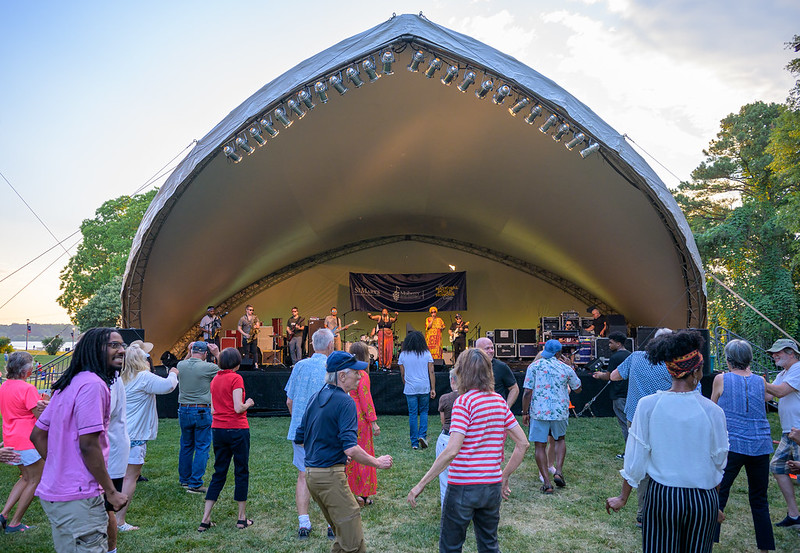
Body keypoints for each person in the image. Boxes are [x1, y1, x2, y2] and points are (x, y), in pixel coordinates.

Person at [605, 330, 728, 553]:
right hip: (703, 498)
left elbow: (636, 457)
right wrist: (715, 505)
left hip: (663, 496)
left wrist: (623, 498)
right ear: (697, 372)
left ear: (670, 370)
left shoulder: (648, 405)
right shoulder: (714, 411)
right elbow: (719, 462)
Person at [407, 348, 530, 553]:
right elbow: (523, 443)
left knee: (450, 547)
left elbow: (452, 449)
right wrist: (504, 475)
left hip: (463, 487)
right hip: (491, 486)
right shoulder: (499, 401)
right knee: (489, 546)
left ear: (462, 372)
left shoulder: (464, 402)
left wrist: (421, 485)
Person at [30, 328, 129, 553]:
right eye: (114, 345)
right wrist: (111, 492)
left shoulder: (69, 383)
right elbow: (89, 444)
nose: (121, 350)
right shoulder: (93, 385)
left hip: (59, 494)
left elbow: (37, 435)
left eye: (122, 345)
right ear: (94, 349)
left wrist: (61, 465)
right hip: (79, 498)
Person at [295, 351, 394, 553]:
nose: (359, 376)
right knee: (353, 541)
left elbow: (301, 438)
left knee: (346, 539)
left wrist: (332, 451)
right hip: (330, 477)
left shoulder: (316, 396)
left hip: (313, 477)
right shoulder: (346, 402)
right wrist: (377, 462)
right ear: (341, 376)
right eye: (355, 372)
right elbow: (350, 447)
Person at [711, 339, 774, 552]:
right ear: (749, 359)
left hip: (733, 445)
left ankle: (708, 541)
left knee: (718, 494)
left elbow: (713, 409)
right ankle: (765, 548)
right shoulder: (760, 381)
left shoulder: (721, 379)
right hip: (760, 445)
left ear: (728, 360)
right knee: (759, 500)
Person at [607, 327, 673, 524]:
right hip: (665, 418)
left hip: (636, 416)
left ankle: (643, 514)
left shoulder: (636, 357)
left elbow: (614, 376)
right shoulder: (674, 362)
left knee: (640, 462)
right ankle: (665, 510)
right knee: (664, 462)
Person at [115, 343, 179, 531]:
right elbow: (168, 386)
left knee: (116, 477)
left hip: (118, 433)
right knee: (130, 478)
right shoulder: (143, 377)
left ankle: (108, 518)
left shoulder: (120, 377)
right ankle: (119, 521)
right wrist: (174, 372)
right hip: (134, 435)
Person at [284, 328, 334, 539]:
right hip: (326, 430)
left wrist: (297, 420)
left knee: (304, 474)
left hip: (300, 431)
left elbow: (289, 400)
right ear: (330, 346)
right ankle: (332, 523)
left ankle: (304, 522)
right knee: (331, 475)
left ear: (313, 345)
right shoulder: (332, 366)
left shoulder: (300, 366)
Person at [198, 348, 255, 531]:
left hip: (219, 429)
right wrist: (249, 404)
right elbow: (239, 408)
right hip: (237, 429)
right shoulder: (236, 378)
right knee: (241, 471)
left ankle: (205, 519)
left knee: (219, 472)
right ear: (237, 363)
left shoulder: (215, 379)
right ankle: (241, 518)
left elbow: (213, 409)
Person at [522, 339, 582, 493]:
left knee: (540, 445)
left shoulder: (534, 366)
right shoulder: (565, 368)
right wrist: (570, 369)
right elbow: (578, 389)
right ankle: (559, 471)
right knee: (560, 439)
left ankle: (547, 483)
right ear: (559, 353)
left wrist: (525, 412)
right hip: (559, 411)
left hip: (539, 412)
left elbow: (527, 392)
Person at [0, 351, 47, 533]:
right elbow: (40, 417)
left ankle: (3, 515)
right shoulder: (27, 388)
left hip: (11, 438)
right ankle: (15, 523)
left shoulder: (4, 386)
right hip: (29, 440)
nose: (34, 368)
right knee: (35, 479)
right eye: (32, 365)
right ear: (26, 370)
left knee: (25, 477)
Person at [763, 338, 800, 528]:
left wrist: (758, 381)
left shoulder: (799, 369)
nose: (774, 355)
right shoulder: (784, 372)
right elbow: (768, 395)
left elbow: (779, 392)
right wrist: (744, 382)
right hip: (789, 432)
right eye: (773, 352)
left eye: (778, 352)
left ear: (791, 353)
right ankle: (794, 517)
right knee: (778, 467)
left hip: (799, 432)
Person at [177, 340, 220, 494]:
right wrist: (217, 354)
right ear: (205, 354)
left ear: (192, 350)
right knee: (202, 447)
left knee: (186, 445)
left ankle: (184, 479)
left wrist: (189, 351)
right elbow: (227, 369)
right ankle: (195, 483)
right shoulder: (209, 367)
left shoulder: (181, 365)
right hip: (201, 410)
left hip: (183, 410)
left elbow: (185, 361)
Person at [345, 342, 380, 507]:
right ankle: (363, 494)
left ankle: (347, 491)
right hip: (359, 417)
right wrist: (373, 422)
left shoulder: (345, 373)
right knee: (364, 455)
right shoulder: (362, 375)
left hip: (346, 413)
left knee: (348, 454)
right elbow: (366, 400)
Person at [591, 331, 631, 454]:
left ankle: (629, 452)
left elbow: (609, 376)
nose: (608, 345)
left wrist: (599, 375)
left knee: (625, 425)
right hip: (629, 393)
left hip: (619, 394)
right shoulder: (630, 355)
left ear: (618, 344)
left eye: (611, 343)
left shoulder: (615, 358)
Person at [398, 331, 436, 450]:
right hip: (424, 387)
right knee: (424, 412)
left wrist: (406, 384)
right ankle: (422, 436)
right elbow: (431, 372)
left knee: (413, 414)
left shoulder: (403, 355)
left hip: (410, 388)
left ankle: (414, 442)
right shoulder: (426, 353)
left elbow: (402, 374)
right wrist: (433, 388)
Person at [436, 368, 458, 508]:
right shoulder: (470, 398)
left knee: (445, 478)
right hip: (465, 440)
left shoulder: (445, 398)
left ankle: (447, 510)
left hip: (447, 438)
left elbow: (443, 422)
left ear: (452, 380)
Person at [474, 338, 519, 407]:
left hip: (496, 410)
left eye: (492, 348)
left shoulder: (501, 366)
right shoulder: (470, 366)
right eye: (487, 348)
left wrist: (506, 408)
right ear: (477, 350)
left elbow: (514, 389)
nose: (491, 351)